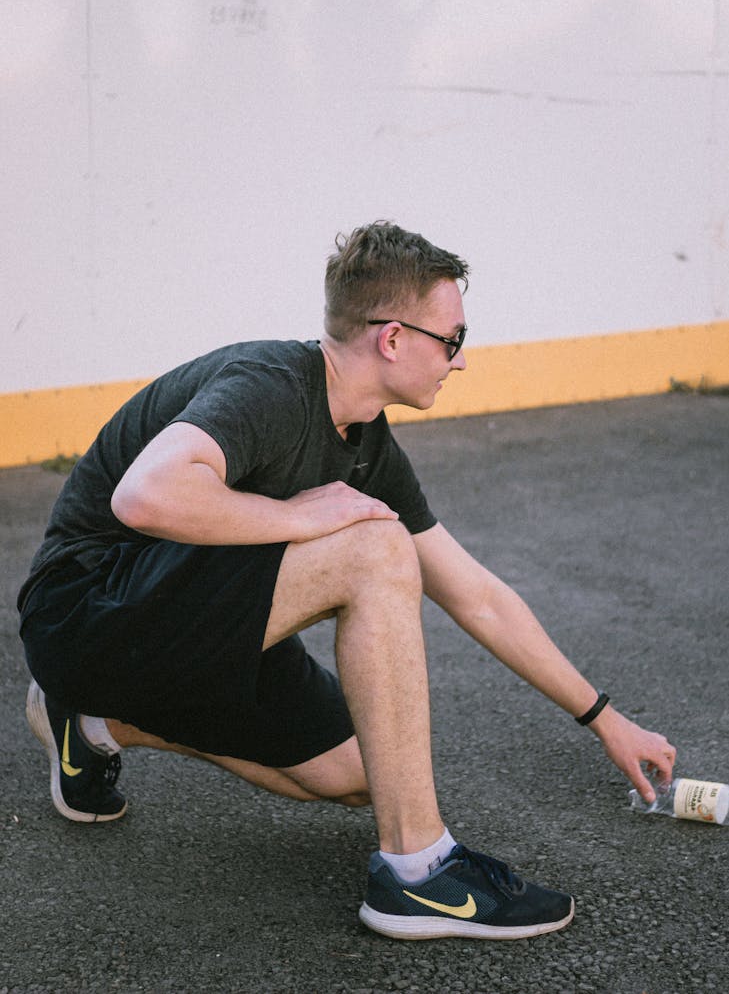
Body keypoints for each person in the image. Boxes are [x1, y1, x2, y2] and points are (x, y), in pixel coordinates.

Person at [18, 221, 676, 942]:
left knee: (370, 772)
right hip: (82, 613)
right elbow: (144, 494)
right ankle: (418, 872)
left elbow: (475, 594)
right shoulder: (269, 387)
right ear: (393, 339)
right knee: (375, 548)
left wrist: (605, 718)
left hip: (170, 629)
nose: (459, 360)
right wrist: (293, 512)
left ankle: (92, 722)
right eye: (451, 339)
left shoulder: (366, 442)